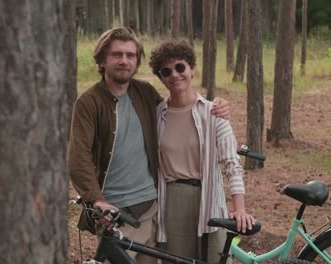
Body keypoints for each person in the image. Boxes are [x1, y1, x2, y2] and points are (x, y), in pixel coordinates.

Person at [68, 27, 230, 263]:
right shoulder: (89, 103)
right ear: (103, 60)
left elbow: (179, 111)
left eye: (130, 55)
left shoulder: (145, 93)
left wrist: (214, 107)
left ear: (137, 61)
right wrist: (97, 200)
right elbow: (78, 156)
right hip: (116, 213)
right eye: (117, 55)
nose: (124, 61)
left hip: (154, 209)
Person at [149, 40, 255, 263]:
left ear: (192, 69)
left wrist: (239, 209)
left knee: (215, 259)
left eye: (180, 67)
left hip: (209, 199)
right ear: (161, 78)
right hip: (172, 202)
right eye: (166, 71)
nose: (174, 75)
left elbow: (232, 164)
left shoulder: (213, 112)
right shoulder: (158, 115)